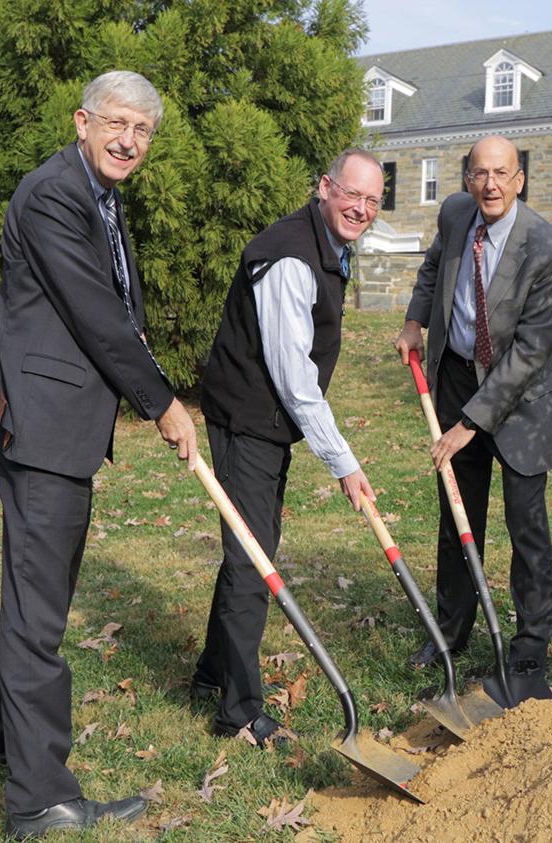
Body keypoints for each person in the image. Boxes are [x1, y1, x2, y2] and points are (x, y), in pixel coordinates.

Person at [0, 71, 197, 839]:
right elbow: (96, 309)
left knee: (37, 595)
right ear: (83, 121)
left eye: (144, 131)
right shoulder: (55, 192)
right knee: (38, 618)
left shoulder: (98, 190)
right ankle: (38, 798)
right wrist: (161, 400)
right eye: (118, 124)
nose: (130, 141)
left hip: (59, 424)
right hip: (43, 424)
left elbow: (116, 304)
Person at [192, 149, 382, 744]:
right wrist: (343, 462)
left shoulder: (326, 246)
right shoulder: (290, 257)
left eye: (374, 201)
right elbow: (293, 378)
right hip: (248, 417)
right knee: (254, 559)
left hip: (265, 421)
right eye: (352, 195)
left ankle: (210, 676)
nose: (362, 208)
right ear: (325, 187)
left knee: (252, 546)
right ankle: (240, 712)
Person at [394, 135, 552, 704]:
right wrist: (415, 320)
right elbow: (433, 267)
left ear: (520, 179)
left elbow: (529, 354)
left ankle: (527, 653)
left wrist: (469, 422)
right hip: (456, 378)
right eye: (479, 174)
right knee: (457, 516)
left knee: (528, 530)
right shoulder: (454, 215)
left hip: (520, 400)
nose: (489, 185)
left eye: (501, 173)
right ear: (466, 178)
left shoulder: (545, 248)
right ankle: (450, 632)